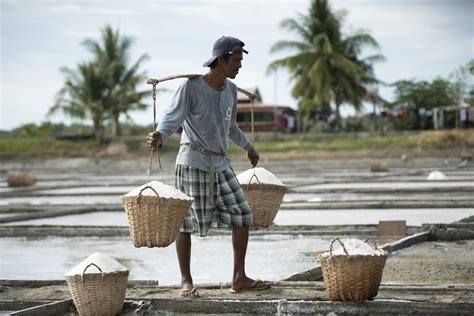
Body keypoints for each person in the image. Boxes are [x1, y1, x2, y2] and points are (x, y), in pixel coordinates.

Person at [146, 36, 271, 298]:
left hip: (221, 162)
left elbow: (231, 127)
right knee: (186, 223)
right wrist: (159, 136)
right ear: (221, 59)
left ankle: (239, 277)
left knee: (242, 214)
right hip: (193, 161)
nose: (239, 66)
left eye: (240, 62)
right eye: (236, 61)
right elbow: (171, 118)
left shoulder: (231, 90)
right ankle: (186, 280)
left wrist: (248, 147)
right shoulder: (191, 87)